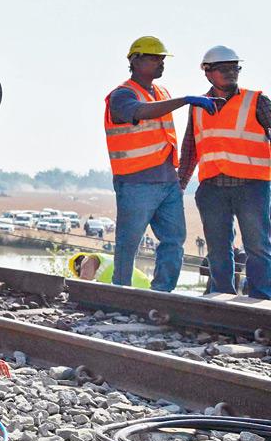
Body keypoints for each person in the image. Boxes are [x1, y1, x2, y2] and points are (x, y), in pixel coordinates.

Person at [104, 36, 219, 292]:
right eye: (155, 58)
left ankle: (161, 293)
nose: (161, 63)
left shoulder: (161, 92)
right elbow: (140, 111)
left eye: (162, 59)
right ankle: (120, 293)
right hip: (136, 183)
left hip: (167, 181)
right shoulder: (122, 95)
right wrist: (186, 100)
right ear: (135, 61)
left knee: (174, 240)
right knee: (128, 242)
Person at [177, 46, 271, 300]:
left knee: (258, 246)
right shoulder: (197, 106)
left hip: (252, 186)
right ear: (208, 73)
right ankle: (222, 298)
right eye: (224, 68)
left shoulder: (256, 101)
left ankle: (262, 299)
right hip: (212, 188)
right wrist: (180, 185)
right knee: (218, 249)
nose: (231, 73)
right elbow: (190, 148)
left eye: (235, 68)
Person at [68, 252, 151, 288]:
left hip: (137, 288)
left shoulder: (88, 261)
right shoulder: (103, 260)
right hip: (144, 286)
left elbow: (84, 283)